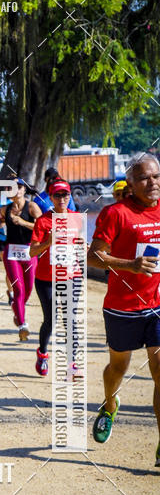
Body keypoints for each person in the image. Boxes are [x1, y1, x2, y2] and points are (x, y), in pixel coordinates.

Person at [87, 153, 160, 464]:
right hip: (123, 307)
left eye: (156, 176)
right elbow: (93, 257)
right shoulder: (116, 213)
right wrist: (131, 265)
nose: (152, 183)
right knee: (118, 368)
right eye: (144, 177)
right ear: (130, 182)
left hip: (157, 306)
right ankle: (109, 403)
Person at [29, 180, 83, 376]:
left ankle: (71, 364)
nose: (62, 199)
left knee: (70, 319)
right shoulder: (43, 221)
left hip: (72, 275)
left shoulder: (77, 218)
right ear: (50, 198)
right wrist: (48, 242)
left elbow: (83, 246)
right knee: (51, 319)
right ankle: (42, 353)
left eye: (65, 195)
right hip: (46, 278)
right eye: (58, 195)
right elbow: (32, 252)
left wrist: (83, 247)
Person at [0, 180, 41, 340]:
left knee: (29, 287)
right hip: (11, 252)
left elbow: (41, 226)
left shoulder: (31, 207)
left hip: (29, 250)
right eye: (11, 188)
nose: (15, 190)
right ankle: (23, 325)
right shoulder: (5, 208)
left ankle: (17, 310)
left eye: (19, 187)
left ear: (24, 190)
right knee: (19, 289)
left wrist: (22, 222)